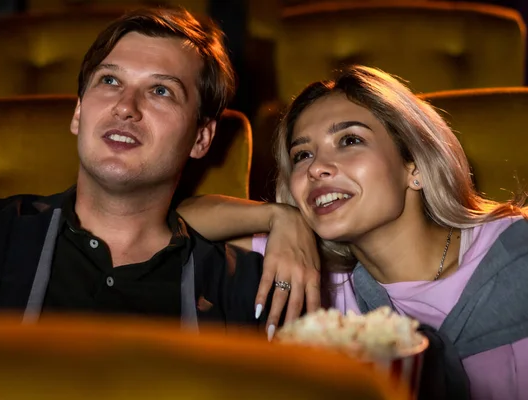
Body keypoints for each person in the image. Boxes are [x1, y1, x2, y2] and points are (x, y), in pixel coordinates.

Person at [0, 6, 320, 332]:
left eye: (161, 90)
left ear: (202, 137)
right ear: (79, 113)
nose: (126, 107)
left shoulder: (248, 290)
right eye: (110, 80)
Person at [177, 66, 528, 399]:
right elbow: (174, 222)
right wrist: (280, 217)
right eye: (302, 154)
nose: (316, 168)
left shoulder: (517, 252)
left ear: (415, 166)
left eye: (349, 140)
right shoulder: (319, 270)